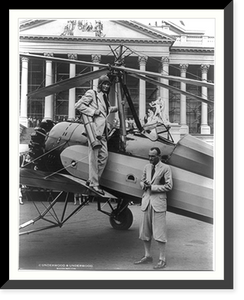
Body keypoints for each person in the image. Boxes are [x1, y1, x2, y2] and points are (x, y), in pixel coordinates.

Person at [75, 75, 118, 195]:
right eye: (104, 84)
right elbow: (78, 105)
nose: (106, 86)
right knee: (93, 158)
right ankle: (94, 183)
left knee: (103, 157)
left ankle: (92, 180)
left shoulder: (105, 98)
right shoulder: (92, 93)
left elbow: (107, 110)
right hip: (94, 131)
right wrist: (93, 112)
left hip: (103, 132)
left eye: (108, 84)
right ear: (100, 84)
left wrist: (119, 106)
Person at [134, 147, 173, 269]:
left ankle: (162, 259)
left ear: (159, 156)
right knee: (145, 231)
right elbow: (142, 181)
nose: (150, 158)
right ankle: (147, 256)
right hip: (147, 202)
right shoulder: (147, 167)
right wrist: (143, 185)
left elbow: (169, 186)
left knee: (159, 232)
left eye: (152, 156)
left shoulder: (166, 168)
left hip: (158, 203)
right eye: (149, 155)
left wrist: (152, 187)